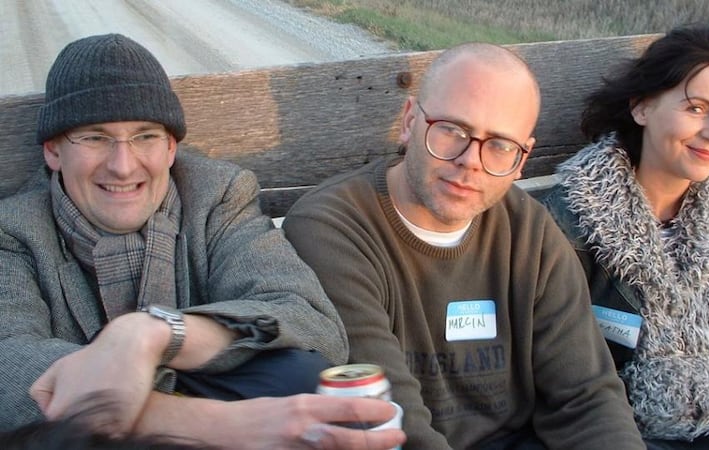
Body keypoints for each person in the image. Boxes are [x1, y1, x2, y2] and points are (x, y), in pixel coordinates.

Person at [0, 33, 405, 450]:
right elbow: (8, 367)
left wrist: (150, 335)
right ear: (53, 151)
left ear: (172, 147)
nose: (123, 166)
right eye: (94, 137)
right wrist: (215, 423)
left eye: (145, 136)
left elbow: (312, 322)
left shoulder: (215, 196)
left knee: (297, 374)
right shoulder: (15, 232)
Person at [283, 42, 646, 449]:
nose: (470, 161)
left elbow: (587, 396)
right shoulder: (332, 229)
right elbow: (390, 418)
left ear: (522, 158)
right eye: (453, 130)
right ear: (408, 122)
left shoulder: (530, 232)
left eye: (500, 145)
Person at [541, 24, 709, 449]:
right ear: (641, 107)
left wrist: (698, 396)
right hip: (614, 428)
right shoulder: (568, 220)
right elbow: (560, 371)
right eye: (696, 108)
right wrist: (664, 402)